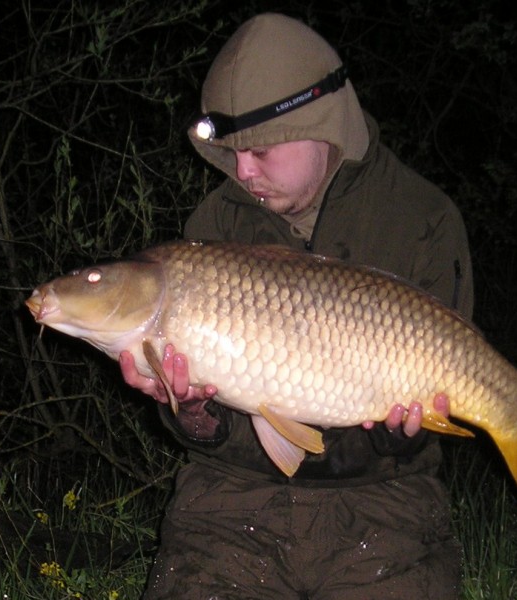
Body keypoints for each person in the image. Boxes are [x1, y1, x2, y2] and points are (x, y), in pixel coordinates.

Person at [120, 13, 474, 600]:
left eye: (258, 151)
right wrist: (190, 412)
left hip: (385, 504)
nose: (243, 172)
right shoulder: (215, 225)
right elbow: (206, 430)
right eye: (233, 154)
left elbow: (420, 436)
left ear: (323, 125)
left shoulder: (424, 221)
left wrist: (401, 434)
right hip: (232, 499)